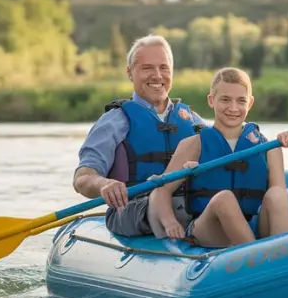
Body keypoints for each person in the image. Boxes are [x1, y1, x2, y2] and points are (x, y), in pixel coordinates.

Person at [73, 35, 208, 238]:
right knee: (155, 202)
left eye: (163, 68)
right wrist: (104, 184)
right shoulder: (114, 122)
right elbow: (82, 178)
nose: (157, 76)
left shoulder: (192, 120)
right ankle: (161, 210)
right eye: (147, 68)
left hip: (188, 206)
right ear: (130, 73)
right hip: (132, 209)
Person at [150, 67, 288, 247]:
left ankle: (281, 255)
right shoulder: (194, 144)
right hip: (208, 228)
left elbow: (277, 199)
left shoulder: (269, 147)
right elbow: (161, 190)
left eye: (240, 101)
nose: (233, 108)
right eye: (225, 100)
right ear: (211, 100)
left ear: (250, 103)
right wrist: (170, 222)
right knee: (224, 199)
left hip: (252, 225)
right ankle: (255, 256)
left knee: (276, 193)